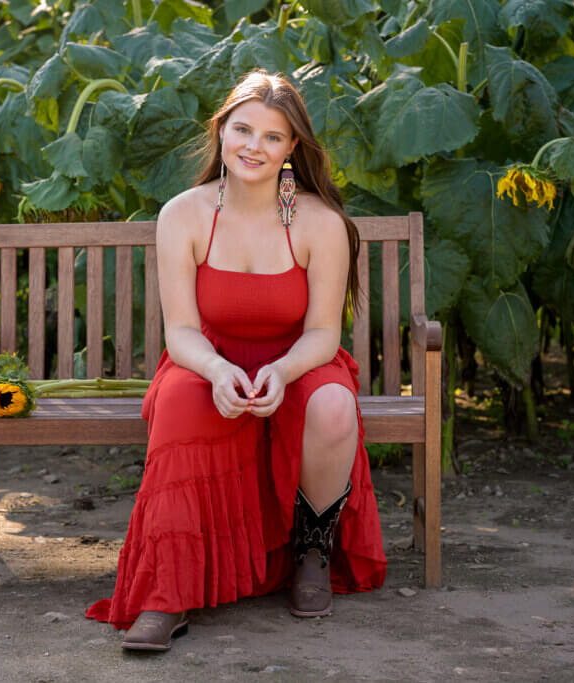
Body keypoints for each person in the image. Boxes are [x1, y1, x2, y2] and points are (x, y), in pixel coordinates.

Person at [86, 69, 387, 651]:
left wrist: (282, 371)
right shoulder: (183, 215)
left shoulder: (321, 223)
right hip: (209, 360)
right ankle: (164, 595)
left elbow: (324, 332)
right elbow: (181, 332)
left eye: (273, 137)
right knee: (175, 403)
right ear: (221, 131)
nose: (255, 146)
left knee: (332, 405)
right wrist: (219, 371)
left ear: (292, 147)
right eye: (243, 130)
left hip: (298, 359)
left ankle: (310, 551)